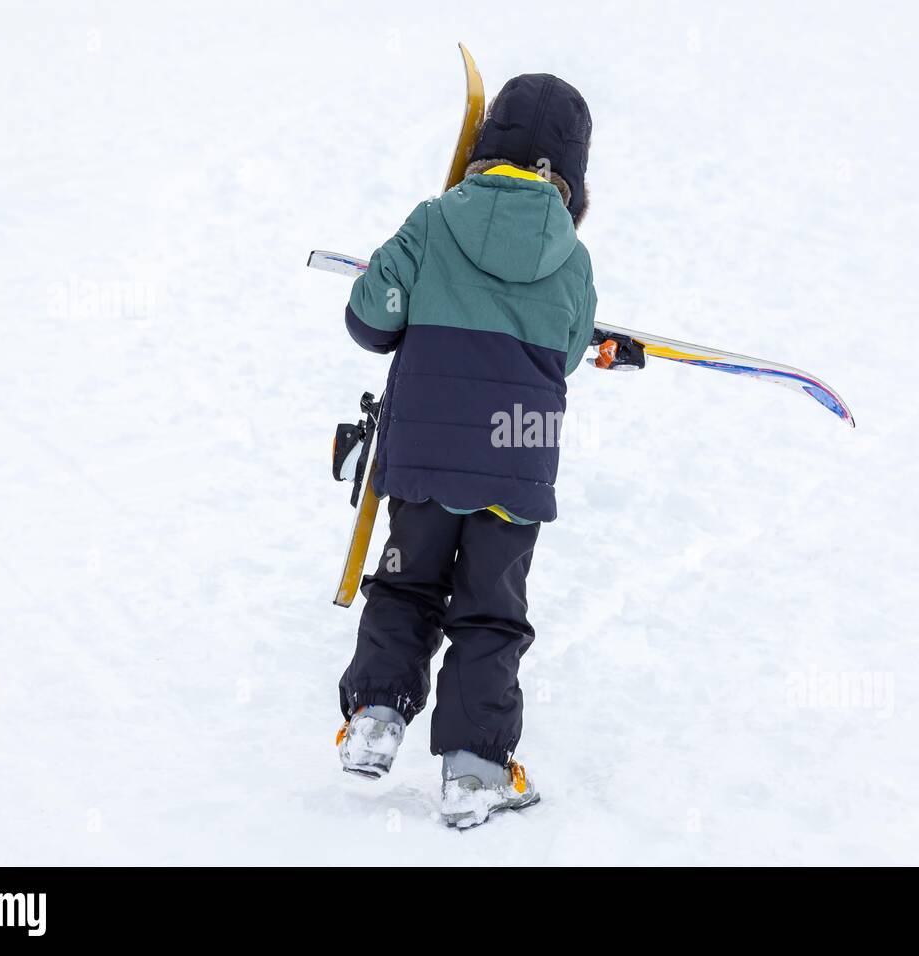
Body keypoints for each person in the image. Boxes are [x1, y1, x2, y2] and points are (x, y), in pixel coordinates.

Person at [333, 73, 596, 828]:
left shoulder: (433, 221)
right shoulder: (572, 259)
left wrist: (408, 289)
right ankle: (477, 768)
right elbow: (571, 351)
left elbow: (369, 318)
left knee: (408, 585)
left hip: (423, 452)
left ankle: (377, 717)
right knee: (491, 611)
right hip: (518, 457)